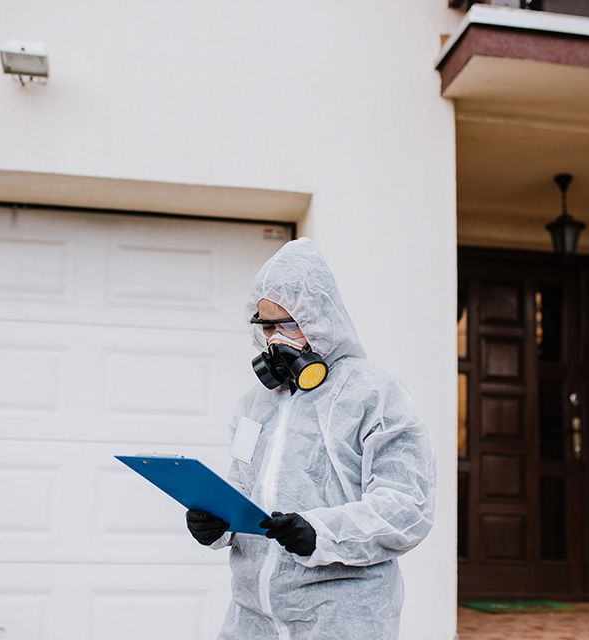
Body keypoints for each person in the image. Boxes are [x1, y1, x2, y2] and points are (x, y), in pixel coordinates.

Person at [185, 238, 435, 640]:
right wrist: (219, 522)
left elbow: (408, 506)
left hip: (341, 618)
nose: (274, 340)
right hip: (252, 617)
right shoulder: (255, 404)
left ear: (319, 318)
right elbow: (244, 483)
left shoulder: (374, 393)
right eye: (267, 326)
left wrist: (320, 531)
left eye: (287, 324)